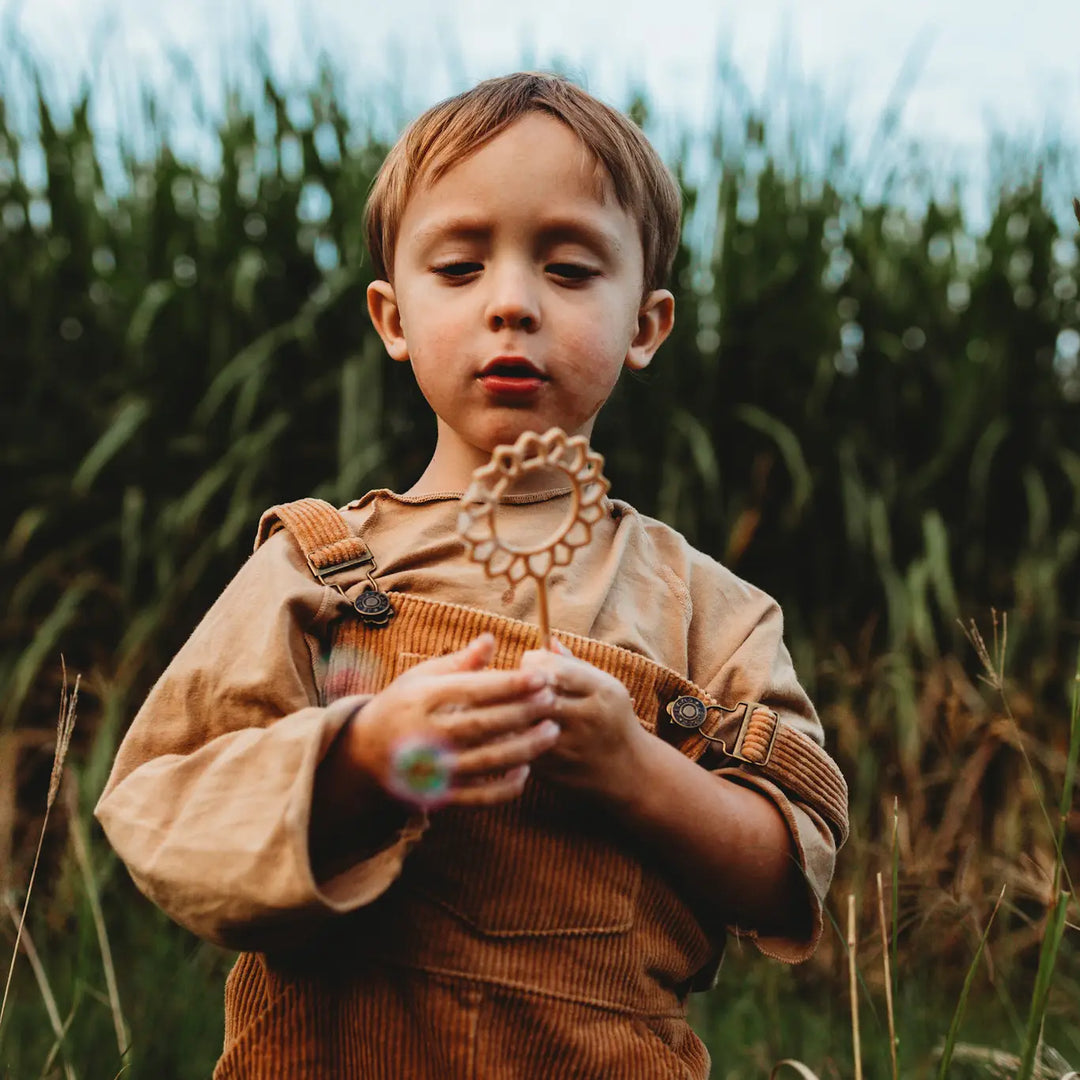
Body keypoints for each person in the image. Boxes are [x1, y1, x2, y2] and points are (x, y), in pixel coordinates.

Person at [96, 71, 848, 1079]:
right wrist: (365, 758)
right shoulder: (313, 570)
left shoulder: (709, 610)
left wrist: (634, 769)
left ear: (646, 327)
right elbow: (162, 807)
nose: (511, 305)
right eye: (457, 267)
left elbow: (786, 871)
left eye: (572, 270)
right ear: (392, 316)